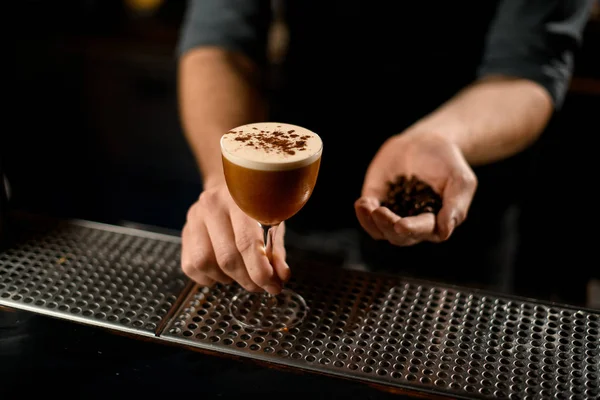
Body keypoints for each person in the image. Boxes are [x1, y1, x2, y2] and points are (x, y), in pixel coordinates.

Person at [176, 0, 593, 295]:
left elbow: (527, 70)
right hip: (297, 200)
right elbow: (220, 42)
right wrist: (227, 174)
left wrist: (440, 136)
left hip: (446, 213)